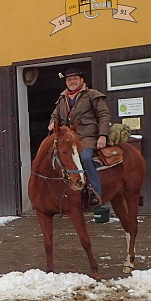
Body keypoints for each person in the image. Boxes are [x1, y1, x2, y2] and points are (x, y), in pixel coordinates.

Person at [47, 67, 110, 207]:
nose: (72, 82)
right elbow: (55, 115)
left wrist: (102, 135)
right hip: (68, 137)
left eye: (75, 79)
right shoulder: (62, 99)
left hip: (86, 136)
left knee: (86, 157)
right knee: (55, 158)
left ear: (82, 80)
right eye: (69, 80)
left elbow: (103, 116)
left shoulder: (92, 95)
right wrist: (52, 123)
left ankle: (95, 192)